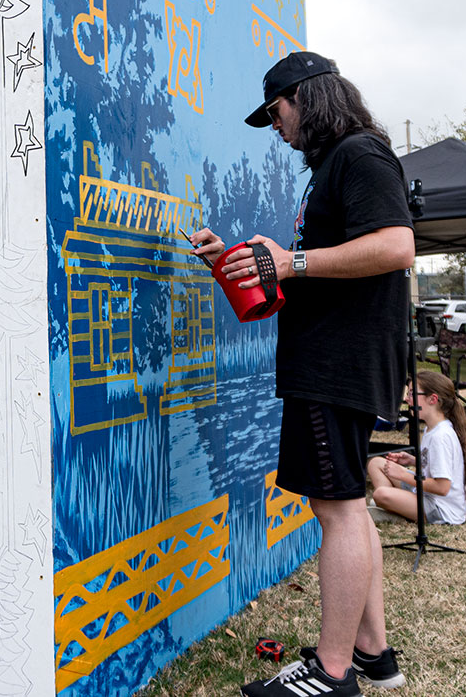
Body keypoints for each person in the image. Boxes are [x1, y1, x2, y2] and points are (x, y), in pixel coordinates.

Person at [191, 51, 414, 697]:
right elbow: (307, 269)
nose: (278, 127)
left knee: (337, 510)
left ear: (306, 98)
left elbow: (396, 246)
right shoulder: (339, 165)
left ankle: (333, 673)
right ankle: (373, 653)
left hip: (336, 364)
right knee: (350, 504)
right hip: (339, 357)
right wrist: (237, 262)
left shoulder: (359, 154)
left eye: (278, 112)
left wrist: (296, 263)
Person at [368, 370, 466, 525]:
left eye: (412, 393)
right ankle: (396, 508)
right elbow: (438, 465)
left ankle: (396, 510)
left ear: (432, 399)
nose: (406, 398)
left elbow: (442, 487)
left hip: (442, 510)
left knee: (380, 494)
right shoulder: (432, 428)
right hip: (424, 494)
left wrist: (403, 475)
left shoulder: (441, 436)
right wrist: (413, 460)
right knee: (376, 463)